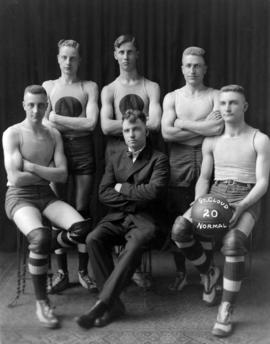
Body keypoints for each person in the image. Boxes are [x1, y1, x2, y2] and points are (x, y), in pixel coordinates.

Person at [171, 85, 270, 337]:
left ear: (244, 106)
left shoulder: (259, 139)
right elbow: (204, 177)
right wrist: (198, 201)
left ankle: (226, 308)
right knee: (179, 229)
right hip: (216, 194)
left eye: (233, 103)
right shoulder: (211, 140)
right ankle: (209, 271)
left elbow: (263, 183)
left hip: (245, 197)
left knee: (234, 243)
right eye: (223, 104)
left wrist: (242, 205)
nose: (227, 108)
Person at [2, 85, 94, 328]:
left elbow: (62, 175)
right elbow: (16, 178)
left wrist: (31, 167)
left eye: (41, 105)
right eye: (31, 105)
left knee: (83, 229)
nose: (36, 110)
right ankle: (42, 302)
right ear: (24, 105)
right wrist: (47, 173)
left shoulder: (53, 134)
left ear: (47, 106)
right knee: (41, 237)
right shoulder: (12, 133)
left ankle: (40, 247)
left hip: (45, 194)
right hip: (19, 197)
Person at [76, 109, 169, 329]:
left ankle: (103, 303)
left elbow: (153, 193)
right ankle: (114, 304)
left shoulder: (159, 159)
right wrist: (135, 195)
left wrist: (122, 187)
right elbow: (103, 193)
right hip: (118, 217)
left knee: (136, 242)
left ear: (146, 130)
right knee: (93, 238)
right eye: (126, 130)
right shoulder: (115, 158)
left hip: (146, 219)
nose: (131, 134)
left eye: (136, 129)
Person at [101, 34, 162, 288]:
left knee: (140, 206)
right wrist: (137, 123)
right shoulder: (110, 89)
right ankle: (120, 267)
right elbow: (105, 126)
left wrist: (126, 126)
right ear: (115, 55)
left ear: (137, 54)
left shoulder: (151, 87)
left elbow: (156, 124)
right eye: (121, 52)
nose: (126, 57)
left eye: (130, 52)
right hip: (117, 152)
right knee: (117, 209)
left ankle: (133, 267)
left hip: (143, 152)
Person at [161, 46, 224, 291]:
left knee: (204, 216)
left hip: (209, 157)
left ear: (205, 68)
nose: (192, 70)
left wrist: (182, 123)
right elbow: (167, 133)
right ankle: (182, 273)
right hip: (178, 159)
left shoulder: (215, 95)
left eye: (197, 65)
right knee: (179, 216)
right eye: (188, 65)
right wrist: (202, 125)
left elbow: (217, 129)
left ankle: (208, 272)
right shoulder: (172, 97)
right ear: (182, 68)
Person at [42, 39, 99, 293]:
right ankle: (62, 272)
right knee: (57, 211)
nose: (68, 62)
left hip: (84, 150)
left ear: (79, 60)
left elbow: (90, 124)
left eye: (73, 58)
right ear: (58, 58)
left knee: (82, 210)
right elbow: (45, 125)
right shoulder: (48, 86)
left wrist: (55, 117)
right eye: (64, 57)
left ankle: (84, 271)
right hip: (56, 150)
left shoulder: (89, 86)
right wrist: (58, 122)